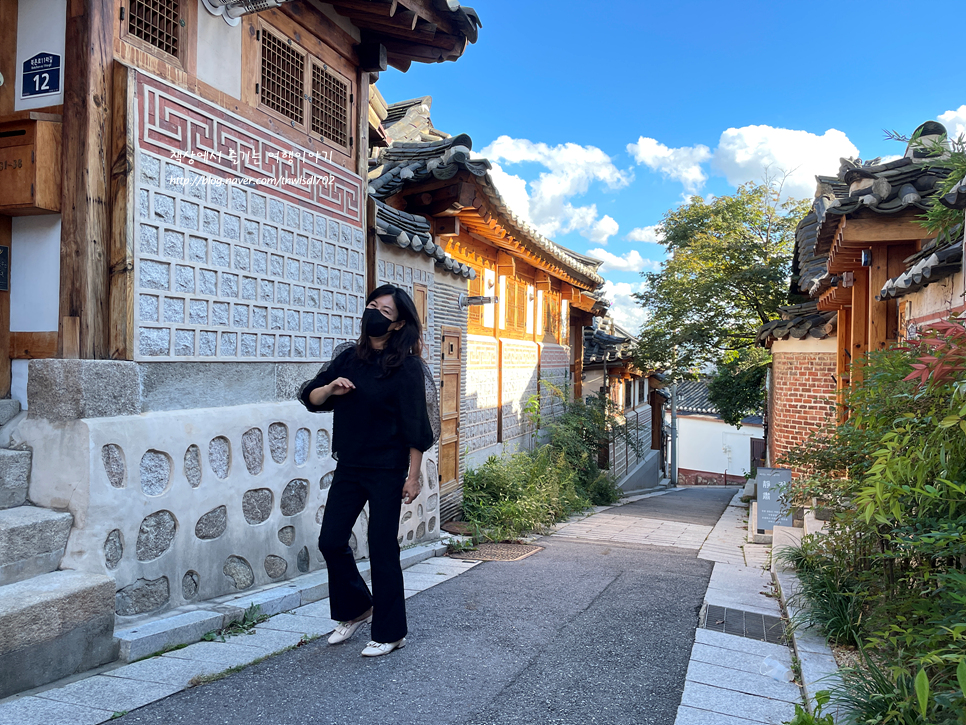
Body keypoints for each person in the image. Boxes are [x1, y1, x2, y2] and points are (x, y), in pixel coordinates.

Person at [298, 284, 439, 657]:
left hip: (388, 469)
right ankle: (358, 608)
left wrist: (413, 476)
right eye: (371, 306)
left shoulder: (406, 368)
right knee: (330, 541)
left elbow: (416, 428)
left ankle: (392, 632)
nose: (373, 313)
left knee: (381, 547)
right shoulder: (349, 358)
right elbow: (310, 397)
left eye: (385, 311)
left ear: (397, 325)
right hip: (351, 464)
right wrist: (330, 388)